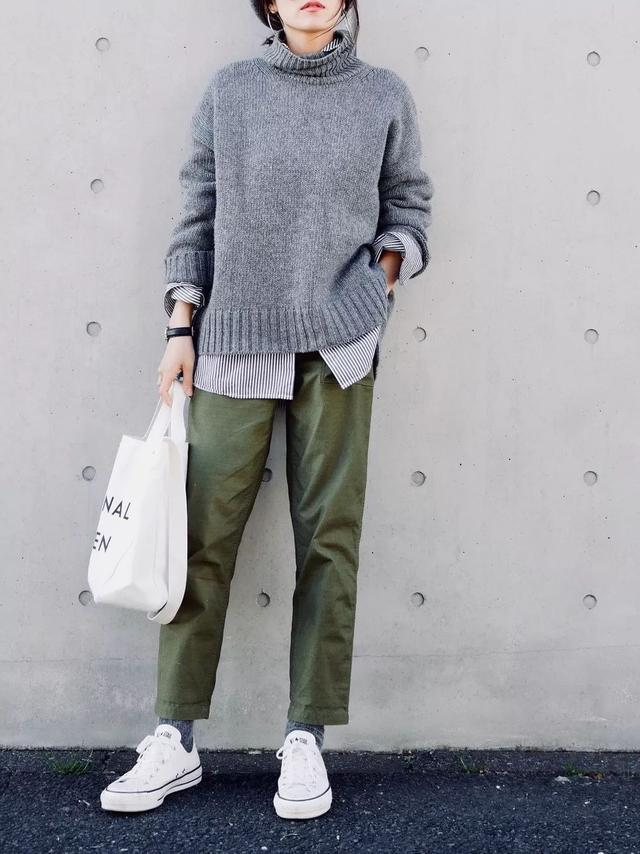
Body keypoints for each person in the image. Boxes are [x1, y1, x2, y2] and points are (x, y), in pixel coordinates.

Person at [100, 0, 433, 820]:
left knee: (329, 541)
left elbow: (410, 208)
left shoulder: (383, 95)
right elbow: (197, 210)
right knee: (200, 540)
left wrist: (376, 287)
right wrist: (180, 326)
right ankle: (175, 736)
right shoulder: (231, 90)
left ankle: (305, 737)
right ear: (270, 4)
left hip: (340, 346)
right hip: (233, 341)